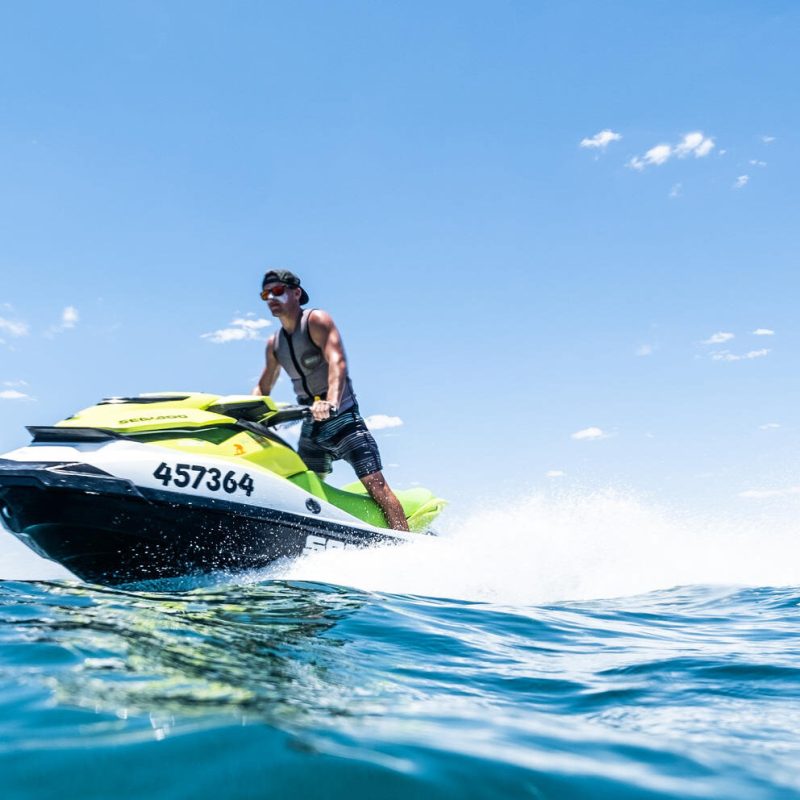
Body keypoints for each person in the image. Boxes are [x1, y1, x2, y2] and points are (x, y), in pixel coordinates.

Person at [253, 269, 409, 531]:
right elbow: (263, 384)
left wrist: (331, 402)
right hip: (312, 424)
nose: (271, 298)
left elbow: (337, 362)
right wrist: (247, 411)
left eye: (278, 291)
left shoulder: (316, 320)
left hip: (343, 419)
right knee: (304, 485)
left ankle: (407, 543)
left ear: (296, 292)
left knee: (375, 483)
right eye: (266, 294)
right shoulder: (274, 343)